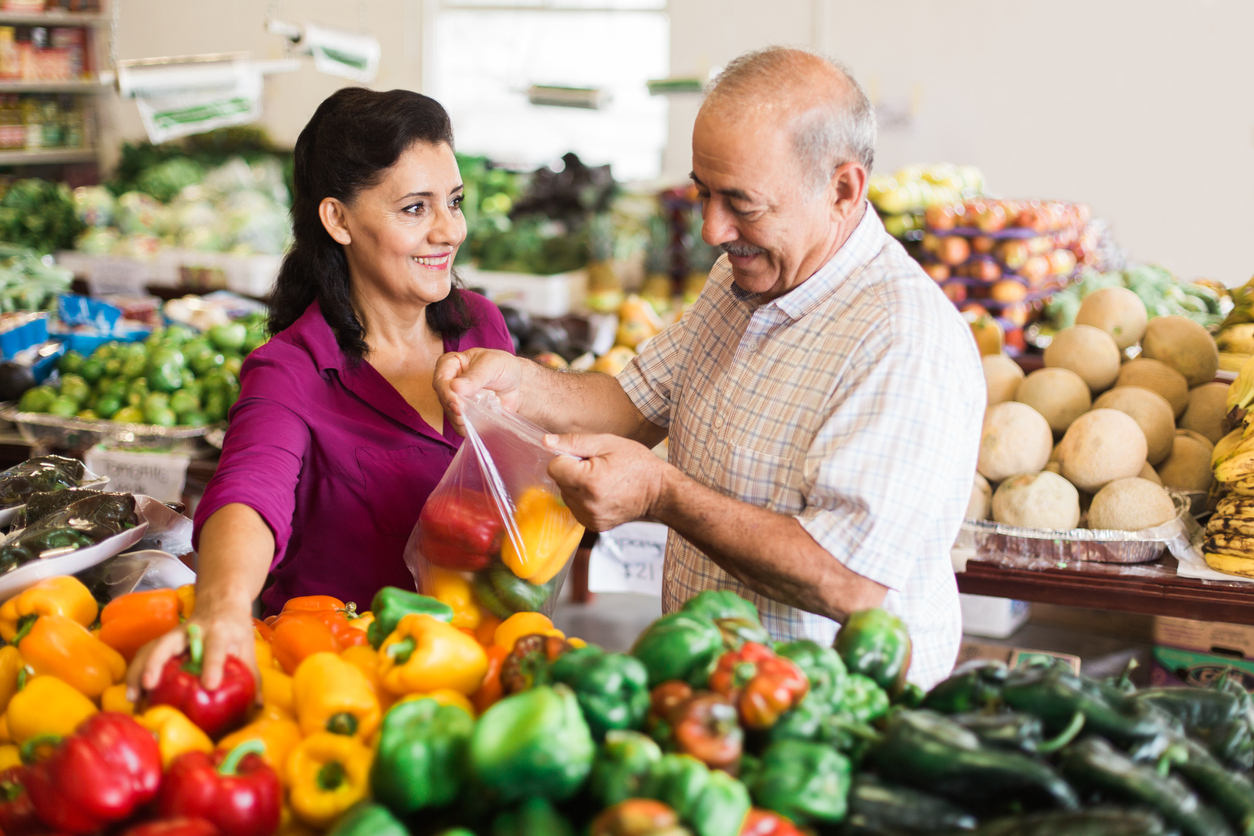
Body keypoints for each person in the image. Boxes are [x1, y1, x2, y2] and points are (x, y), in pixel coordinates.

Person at [436, 48, 983, 688]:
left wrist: (663, 495)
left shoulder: (902, 342)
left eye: (742, 204)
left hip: (828, 731)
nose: (713, 229)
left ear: (841, 190)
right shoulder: (742, 280)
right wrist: (522, 382)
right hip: (715, 700)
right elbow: (632, 403)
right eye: (703, 193)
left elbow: (850, 580)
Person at [128, 87, 513, 694]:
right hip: (346, 684)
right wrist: (223, 605)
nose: (450, 230)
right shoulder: (292, 370)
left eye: (454, 201)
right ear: (337, 219)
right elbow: (249, 492)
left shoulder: (481, 328)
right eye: (416, 208)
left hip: (482, 664)